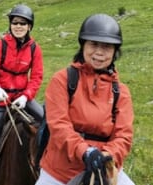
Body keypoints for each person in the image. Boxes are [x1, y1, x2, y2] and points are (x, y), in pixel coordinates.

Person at [36, 14, 135, 185]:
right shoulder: (63, 80)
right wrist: (86, 152)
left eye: (107, 46)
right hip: (61, 172)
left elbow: (124, 135)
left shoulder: (121, 92)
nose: (99, 52)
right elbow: (59, 126)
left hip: (105, 169)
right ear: (83, 45)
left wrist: (107, 156)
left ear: (114, 51)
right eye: (93, 44)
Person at [0, 4, 44, 185]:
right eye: (15, 22)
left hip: (21, 98)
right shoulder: (0, 44)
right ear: (10, 24)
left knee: (50, 125)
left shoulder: (35, 49)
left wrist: (26, 95)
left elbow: (36, 77)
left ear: (29, 26)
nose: (18, 26)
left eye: (23, 23)